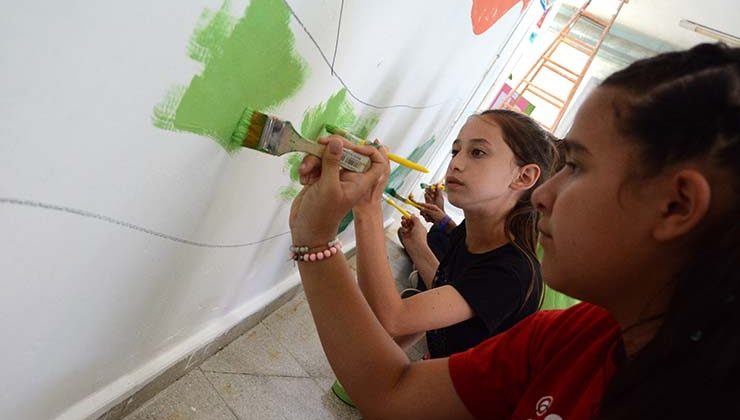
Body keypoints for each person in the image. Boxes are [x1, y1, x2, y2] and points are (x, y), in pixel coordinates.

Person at [288, 43, 740, 418]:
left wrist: (363, 210)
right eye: (457, 150)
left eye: (578, 166)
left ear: (676, 206)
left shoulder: (518, 274)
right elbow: (392, 389)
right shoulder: (575, 335)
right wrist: (316, 235)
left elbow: (393, 327)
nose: (545, 195)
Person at [353, 110, 557, 358]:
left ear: (524, 176)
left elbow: (394, 317)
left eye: (477, 152)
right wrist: (418, 248)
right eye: (455, 151)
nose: (456, 164)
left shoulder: (512, 273)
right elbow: (445, 291)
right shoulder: (471, 232)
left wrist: (367, 202)